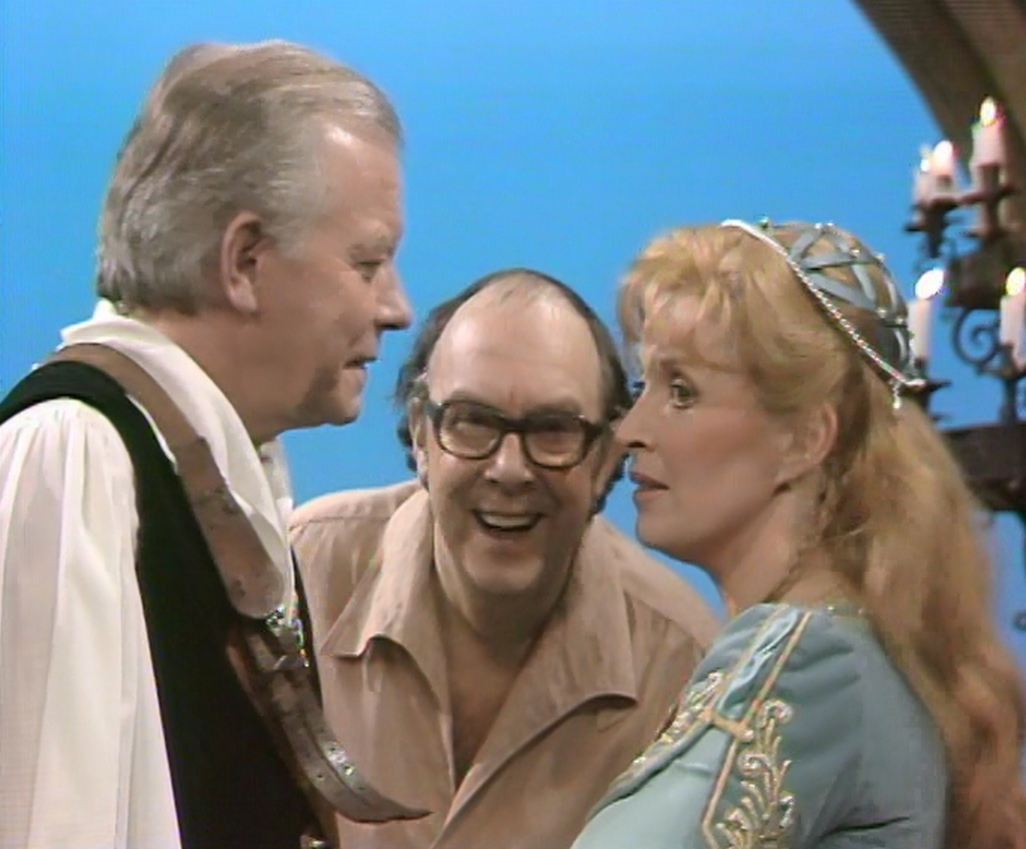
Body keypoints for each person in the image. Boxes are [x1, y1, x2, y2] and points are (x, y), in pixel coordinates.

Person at [0, 40, 413, 849]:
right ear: (244, 261)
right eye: (368, 262)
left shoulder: (203, 470)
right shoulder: (77, 455)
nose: (396, 307)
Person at [571, 219, 1026, 849]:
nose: (630, 430)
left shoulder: (805, 656)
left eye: (681, 391)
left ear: (805, 439)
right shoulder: (862, 644)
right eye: (641, 386)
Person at [289, 267, 720, 848]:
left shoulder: (682, 665)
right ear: (421, 434)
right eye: (472, 422)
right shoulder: (302, 572)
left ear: (604, 457)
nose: (510, 470)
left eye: (553, 430)